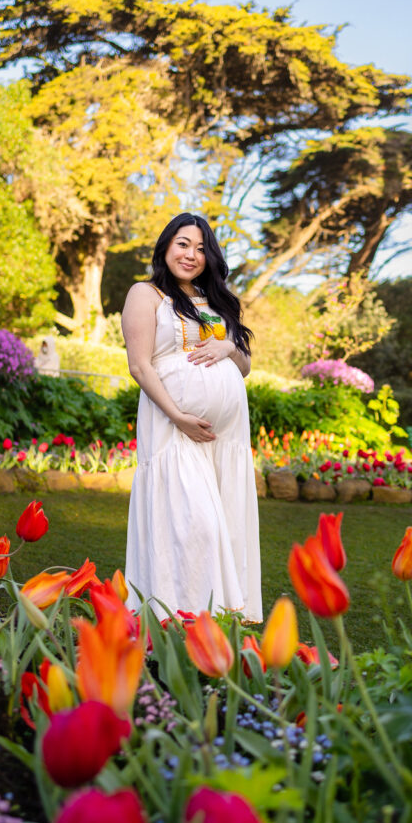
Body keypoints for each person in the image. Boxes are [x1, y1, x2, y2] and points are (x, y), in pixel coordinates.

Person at [121, 213, 262, 621]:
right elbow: (140, 366)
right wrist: (178, 416)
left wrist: (227, 350)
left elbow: (246, 364)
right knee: (194, 522)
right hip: (172, 431)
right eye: (183, 244)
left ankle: (218, 615)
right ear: (166, 246)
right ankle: (177, 612)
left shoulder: (214, 297)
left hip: (226, 438)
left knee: (225, 522)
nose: (192, 255)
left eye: (201, 248)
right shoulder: (145, 295)